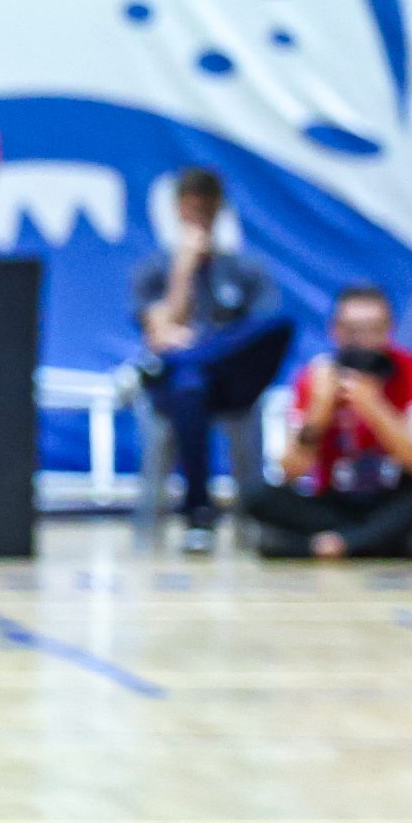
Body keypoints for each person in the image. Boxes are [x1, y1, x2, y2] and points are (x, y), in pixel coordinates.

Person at [129, 168, 292, 551]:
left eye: (206, 207)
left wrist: (199, 347)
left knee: (273, 328)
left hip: (231, 386)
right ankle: (198, 507)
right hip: (173, 389)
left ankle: (201, 511)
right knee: (189, 382)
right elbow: (160, 335)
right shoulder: (153, 270)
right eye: (191, 207)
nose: (199, 216)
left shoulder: (246, 269)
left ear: (219, 208)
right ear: (177, 209)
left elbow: (263, 335)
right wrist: (183, 270)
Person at [241, 283, 412, 559]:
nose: (363, 340)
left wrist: (375, 408)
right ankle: (379, 542)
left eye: (374, 329)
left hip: (394, 499)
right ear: (335, 331)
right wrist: (318, 411)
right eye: (353, 330)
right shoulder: (315, 377)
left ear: (389, 330)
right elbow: (290, 471)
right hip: (335, 502)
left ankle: (325, 546)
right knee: (258, 496)